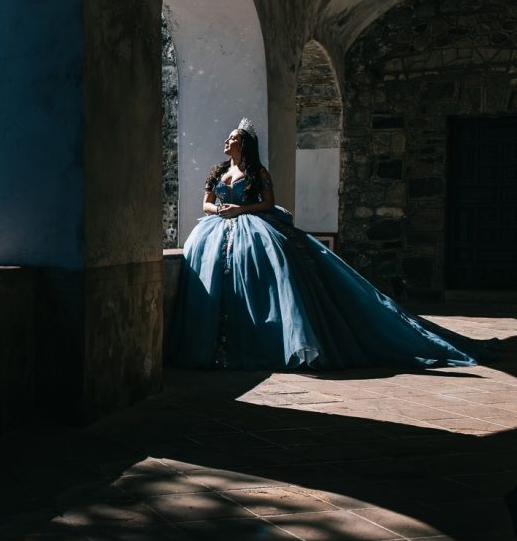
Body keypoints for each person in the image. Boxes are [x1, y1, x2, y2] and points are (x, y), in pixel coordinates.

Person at [169, 118, 498, 370]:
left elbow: (268, 203)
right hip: (217, 229)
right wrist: (220, 211)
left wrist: (240, 210)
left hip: (250, 223)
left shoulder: (258, 172)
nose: (227, 142)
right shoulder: (218, 171)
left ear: (245, 145)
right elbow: (206, 203)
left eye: (234, 138)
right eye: (229, 138)